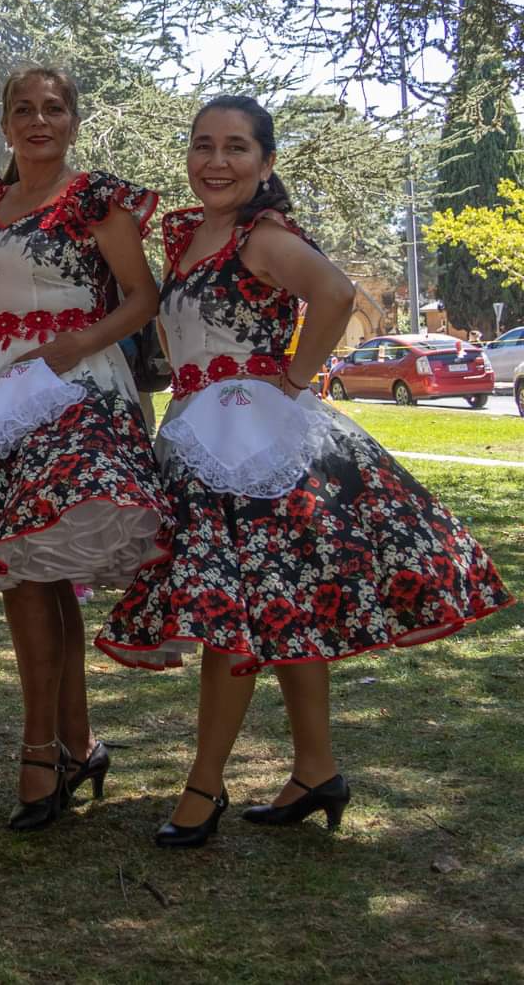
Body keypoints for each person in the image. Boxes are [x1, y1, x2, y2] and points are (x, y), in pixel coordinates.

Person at [97, 96, 513, 846]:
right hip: (203, 438)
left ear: (266, 162)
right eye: (202, 146)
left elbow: (336, 294)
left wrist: (291, 379)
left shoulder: (263, 235)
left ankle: (204, 786)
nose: (215, 161)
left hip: (256, 444)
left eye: (235, 148)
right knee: (283, 607)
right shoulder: (192, 234)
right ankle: (316, 770)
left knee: (232, 613)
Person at [0, 65, 168, 832]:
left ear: (73, 120)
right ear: (5, 124)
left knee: (33, 565)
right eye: (24, 110)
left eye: (54, 108)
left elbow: (143, 298)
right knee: (30, 571)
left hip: (74, 384)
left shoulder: (97, 198)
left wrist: (69, 349)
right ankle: (77, 744)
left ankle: (42, 751)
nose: (39, 121)